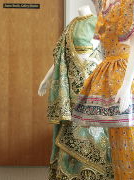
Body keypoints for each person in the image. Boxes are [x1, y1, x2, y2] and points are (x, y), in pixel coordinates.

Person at [72, 0, 134, 179]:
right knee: (117, 147)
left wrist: (126, 86)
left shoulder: (130, 3)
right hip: (108, 75)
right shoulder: (104, 4)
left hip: (127, 77)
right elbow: (101, 45)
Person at [38, 5, 113, 179]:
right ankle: (70, 173)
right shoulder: (71, 26)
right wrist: (46, 79)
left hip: (92, 85)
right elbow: (60, 58)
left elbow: (105, 53)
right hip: (71, 88)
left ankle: (97, 173)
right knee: (72, 128)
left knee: (94, 130)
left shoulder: (98, 22)